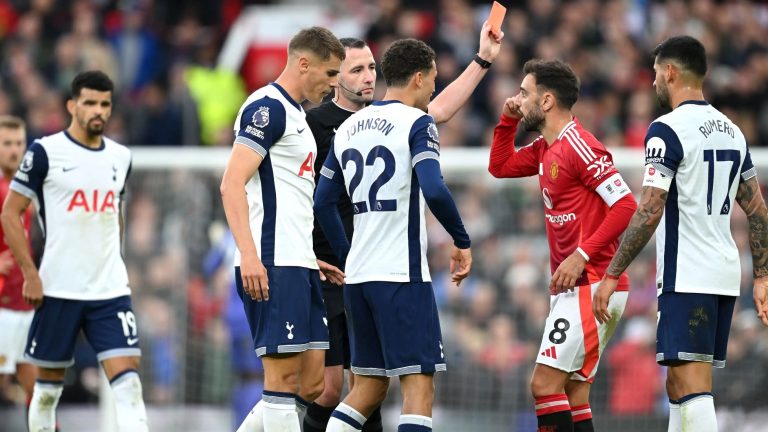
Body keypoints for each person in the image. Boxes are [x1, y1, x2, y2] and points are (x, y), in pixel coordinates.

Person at [303, 22, 502, 432]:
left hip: (358, 278)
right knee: (418, 389)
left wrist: (348, 255)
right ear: (418, 78)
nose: (434, 87)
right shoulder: (416, 124)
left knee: (366, 390)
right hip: (401, 275)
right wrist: (462, 239)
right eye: (433, 79)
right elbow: (435, 188)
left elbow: (322, 201)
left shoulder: (349, 128)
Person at [593, 35, 768, 432]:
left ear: (670, 72)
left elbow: (650, 208)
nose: (654, 81)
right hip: (723, 273)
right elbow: (758, 210)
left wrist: (612, 272)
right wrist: (761, 276)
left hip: (688, 274)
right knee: (677, 383)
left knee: (691, 384)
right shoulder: (733, 131)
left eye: (656, 73)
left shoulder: (666, 130)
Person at [488, 59, 637, 432]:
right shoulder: (545, 148)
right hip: (576, 287)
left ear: (547, 101)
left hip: (593, 283)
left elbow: (626, 205)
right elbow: (499, 166)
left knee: (543, 385)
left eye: (524, 93)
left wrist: (581, 255)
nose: (518, 99)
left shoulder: (580, 145)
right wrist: (507, 121)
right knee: (574, 394)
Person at [2, 71, 148, 432]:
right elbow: (10, 212)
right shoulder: (45, 152)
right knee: (46, 393)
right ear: (72, 106)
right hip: (58, 289)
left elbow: (115, 213)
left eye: (105, 104)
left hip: (109, 291)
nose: (98, 110)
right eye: (90, 103)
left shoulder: (121, 157)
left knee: (129, 385)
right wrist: (31, 273)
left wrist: (114, 260)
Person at [220, 26, 346, 432]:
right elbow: (231, 183)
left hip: (299, 262)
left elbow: (291, 197)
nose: (334, 84)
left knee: (313, 384)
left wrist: (310, 257)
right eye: (330, 73)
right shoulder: (266, 108)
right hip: (272, 261)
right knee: (282, 379)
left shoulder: (297, 117)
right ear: (303, 63)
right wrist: (249, 254)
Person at [0, 116, 36, 407]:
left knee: (36, 388)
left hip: (23, 299)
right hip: (2, 302)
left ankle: (47, 425)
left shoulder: (25, 187)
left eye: (19, 143)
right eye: (7, 144)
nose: (14, 150)